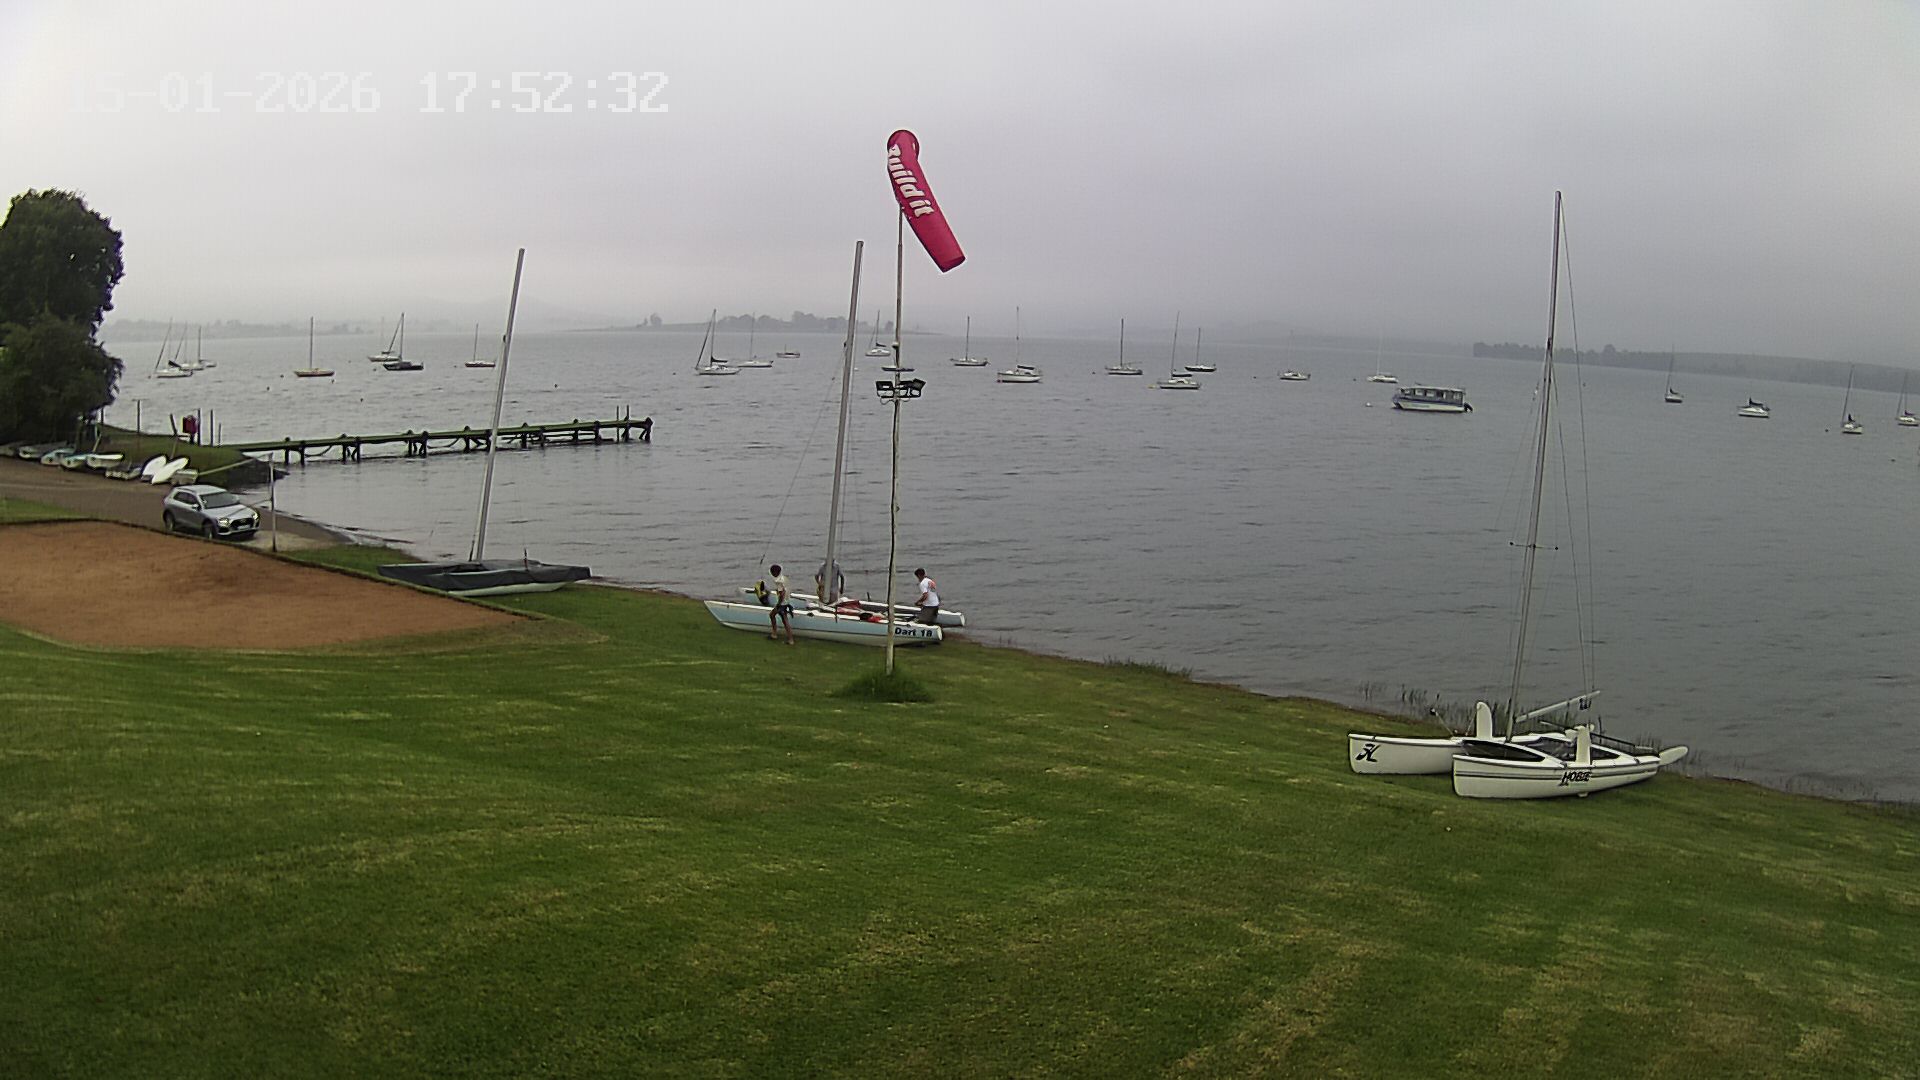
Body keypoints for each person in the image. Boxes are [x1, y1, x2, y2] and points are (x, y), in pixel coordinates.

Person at [767, 564, 794, 644]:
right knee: (773, 615)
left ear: (775, 573)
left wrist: (778, 604)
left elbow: (782, 593)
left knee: (784, 621)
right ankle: (774, 634)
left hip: (782, 603)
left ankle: (790, 639)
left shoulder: (778, 581)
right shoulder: (784, 578)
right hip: (786, 601)